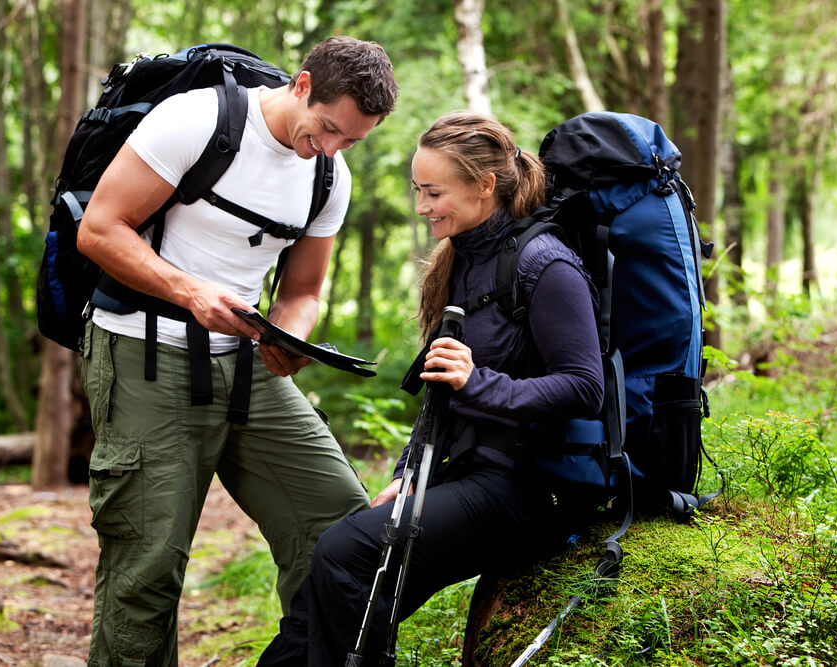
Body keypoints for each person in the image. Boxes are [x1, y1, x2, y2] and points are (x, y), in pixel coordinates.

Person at [75, 36, 399, 666]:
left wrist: (289, 335)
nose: (331, 147)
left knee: (340, 526)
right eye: (329, 128)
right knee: (148, 565)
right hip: (144, 352)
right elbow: (99, 229)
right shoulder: (196, 121)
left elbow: (303, 290)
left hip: (246, 366)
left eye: (352, 140)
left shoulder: (330, 175)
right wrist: (190, 290)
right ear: (301, 85)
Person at [257, 111, 605, 665]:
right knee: (336, 590)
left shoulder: (545, 263)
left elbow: (586, 388)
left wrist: (481, 382)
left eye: (434, 192)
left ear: (485, 185)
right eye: (418, 190)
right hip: (468, 472)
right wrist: (406, 473)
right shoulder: (463, 259)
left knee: (346, 552)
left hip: (535, 489)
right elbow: (441, 396)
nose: (422, 207)